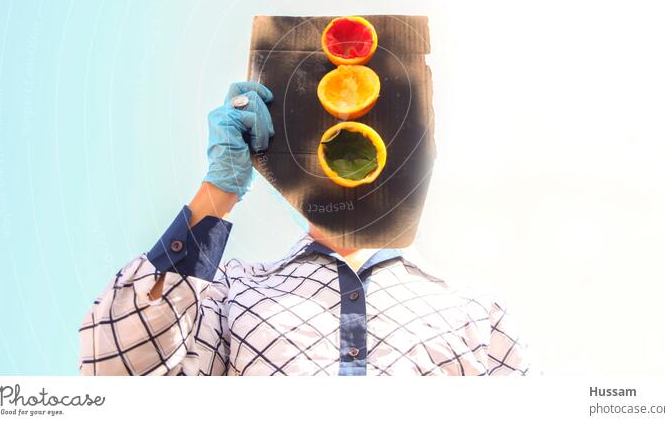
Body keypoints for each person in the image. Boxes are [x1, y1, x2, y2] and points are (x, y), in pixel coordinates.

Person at [78, 82, 532, 376]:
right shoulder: (232, 292)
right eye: (325, 138)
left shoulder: (476, 309)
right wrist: (219, 191)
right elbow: (114, 372)